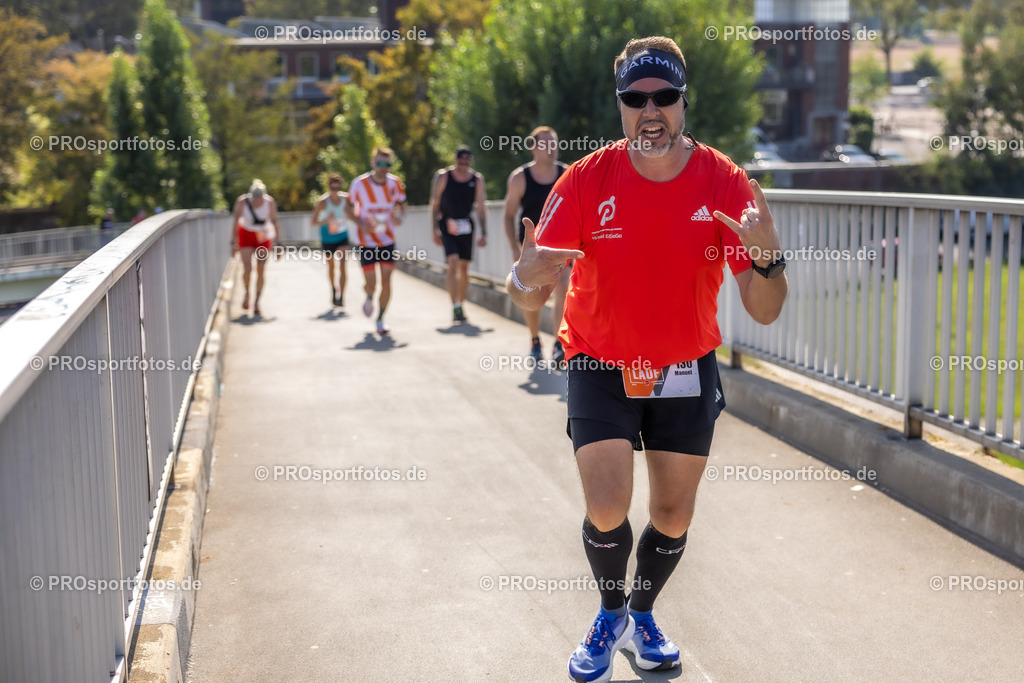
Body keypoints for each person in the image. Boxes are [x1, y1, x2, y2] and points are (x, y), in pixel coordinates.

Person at [507, 37, 788, 683]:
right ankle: (610, 615)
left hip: (684, 366)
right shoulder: (586, 180)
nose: (650, 110)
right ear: (621, 106)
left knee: (672, 515)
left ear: (684, 101)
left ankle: (642, 613)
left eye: (664, 96)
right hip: (599, 361)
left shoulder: (724, 181)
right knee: (608, 506)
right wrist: (523, 278)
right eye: (636, 99)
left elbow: (766, 309)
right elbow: (529, 291)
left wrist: (770, 260)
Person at [503, 126, 570, 362]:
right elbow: (508, 214)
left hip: (560, 247)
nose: (551, 148)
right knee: (531, 295)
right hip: (531, 249)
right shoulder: (520, 178)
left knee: (563, 289)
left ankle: (559, 344)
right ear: (533, 148)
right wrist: (514, 247)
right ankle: (534, 340)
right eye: (545, 144)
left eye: (554, 143)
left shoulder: (567, 173)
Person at [345, 147, 407, 335]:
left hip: (387, 240)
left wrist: (400, 217)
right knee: (371, 283)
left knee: (386, 281)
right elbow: (348, 209)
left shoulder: (395, 183)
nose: (383, 167)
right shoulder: (359, 184)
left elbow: (402, 206)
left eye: (387, 164)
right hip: (365, 241)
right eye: (379, 163)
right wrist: (361, 223)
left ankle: (380, 319)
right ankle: (369, 295)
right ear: (373, 163)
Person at [430, 145, 487, 323]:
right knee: (453, 262)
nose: (463, 165)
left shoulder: (477, 179)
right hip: (447, 224)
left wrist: (484, 232)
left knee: (464, 267)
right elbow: (435, 202)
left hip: (466, 225)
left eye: (466, 161)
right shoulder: (443, 176)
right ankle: (455, 305)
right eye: (460, 161)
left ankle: (460, 304)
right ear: (455, 160)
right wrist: (434, 228)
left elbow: (481, 206)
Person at [231, 179, 280, 317]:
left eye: (259, 198)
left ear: (263, 196)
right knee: (247, 267)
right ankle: (247, 292)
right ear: (251, 195)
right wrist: (233, 243)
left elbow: (275, 221)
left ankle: (257, 301)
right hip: (246, 233)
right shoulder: (242, 201)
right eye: (254, 198)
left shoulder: (269, 202)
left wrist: (279, 244)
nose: (257, 201)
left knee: (261, 268)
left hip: (263, 236)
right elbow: (235, 221)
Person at [312, 173, 350, 307]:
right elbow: (313, 222)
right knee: (331, 267)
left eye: (337, 188)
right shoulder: (323, 202)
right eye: (333, 188)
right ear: (329, 187)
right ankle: (334, 289)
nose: (335, 191)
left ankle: (342, 296)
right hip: (327, 238)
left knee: (343, 266)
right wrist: (326, 220)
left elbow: (355, 212)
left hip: (342, 236)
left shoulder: (347, 199)